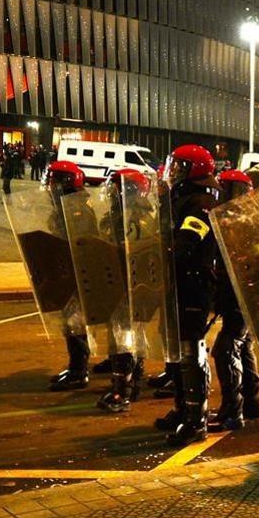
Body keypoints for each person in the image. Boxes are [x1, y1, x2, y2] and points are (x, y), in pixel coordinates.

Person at [161, 144, 221, 447]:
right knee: (176, 352)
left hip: (194, 286)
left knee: (190, 353)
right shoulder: (179, 198)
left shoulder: (201, 203)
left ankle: (197, 419)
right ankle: (182, 408)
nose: (174, 173)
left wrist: (164, 248)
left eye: (179, 167)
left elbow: (185, 241)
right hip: (178, 284)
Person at [207, 169, 259, 433]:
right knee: (243, 346)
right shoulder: (241, 220)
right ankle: (251, 403)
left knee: (226, 349)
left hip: (241, 296)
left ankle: (233, 410)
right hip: (240, 297)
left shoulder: (243, 223)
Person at [93, 169, 151, 413]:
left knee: (124, 337)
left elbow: (134, 250)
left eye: (118, 187)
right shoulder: (120, 215)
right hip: (119, 281)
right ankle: (133, 379)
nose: (112, 192)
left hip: (128, 283)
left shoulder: (135, 217)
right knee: (127, 334)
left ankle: (122, 390)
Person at [43, 161, 92, 392]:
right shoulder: (64, 206)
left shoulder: (77, 210)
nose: (50, 185)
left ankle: (79, 371)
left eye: (54, 180)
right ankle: (75, 365)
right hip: (66, 273)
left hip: (76, 275)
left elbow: (80, 244)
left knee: (76, 324)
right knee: (70, 325)